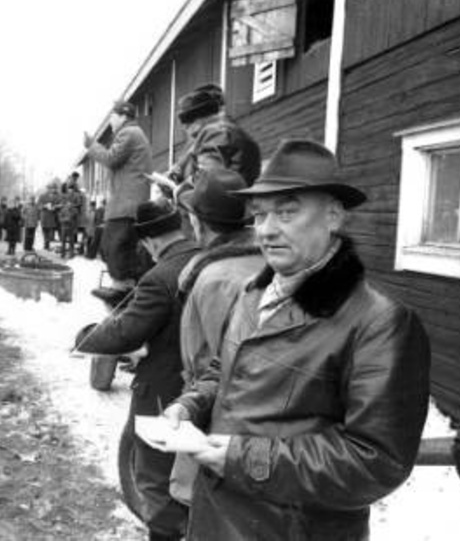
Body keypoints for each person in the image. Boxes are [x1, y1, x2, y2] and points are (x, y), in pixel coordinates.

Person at [163, 139, 431, 540]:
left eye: (287, 212)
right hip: (215, 517)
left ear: (334, 216)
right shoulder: (253, 293)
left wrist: (242, 458)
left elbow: (376, 461)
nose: (267, 231)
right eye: (259, 216)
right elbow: (226, 370)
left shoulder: (380, 322)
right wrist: (192, 404)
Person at [75, 199, 200, 541]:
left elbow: (125, 332)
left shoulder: (160, 276)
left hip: (164, 391)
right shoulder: (206, 259)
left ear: (150, 241)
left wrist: (85, 339)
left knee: (155, 478)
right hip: (209, 388)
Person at [168, 168, 264, 506]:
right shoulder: (267, 260)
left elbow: (215, 364)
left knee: (206, 506)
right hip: (262, 431)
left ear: (198, 222)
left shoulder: (214, 279)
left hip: (218, 421)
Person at [84, 100, 152, 305]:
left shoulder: (128, 133)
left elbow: (111, 158)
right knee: (119, 245)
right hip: (130, 202)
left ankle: (124, 289)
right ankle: (128, 287)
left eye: (112, 116)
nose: (111, 121)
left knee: (115, 244)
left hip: (126, 204)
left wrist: (91, 145)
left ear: (123, 116)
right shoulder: (135, 134)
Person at [166, 84, 261, 189]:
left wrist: (178, 190)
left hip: (219, 201)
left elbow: (206, 183)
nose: (184, 129)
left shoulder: (216, 133)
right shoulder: (211, 136)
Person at [38, 183, 60, 251]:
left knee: (50, 231)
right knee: (44, 230)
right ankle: (46, 244)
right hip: (44, 215)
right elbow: (38, 205)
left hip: (51, 216)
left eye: (51, 189)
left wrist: (54, 207)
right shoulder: (42, 196)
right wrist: (45, 206)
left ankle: (47, 244)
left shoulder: (54, 197)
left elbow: (57, 205)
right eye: (49, 188)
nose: (50, 190)